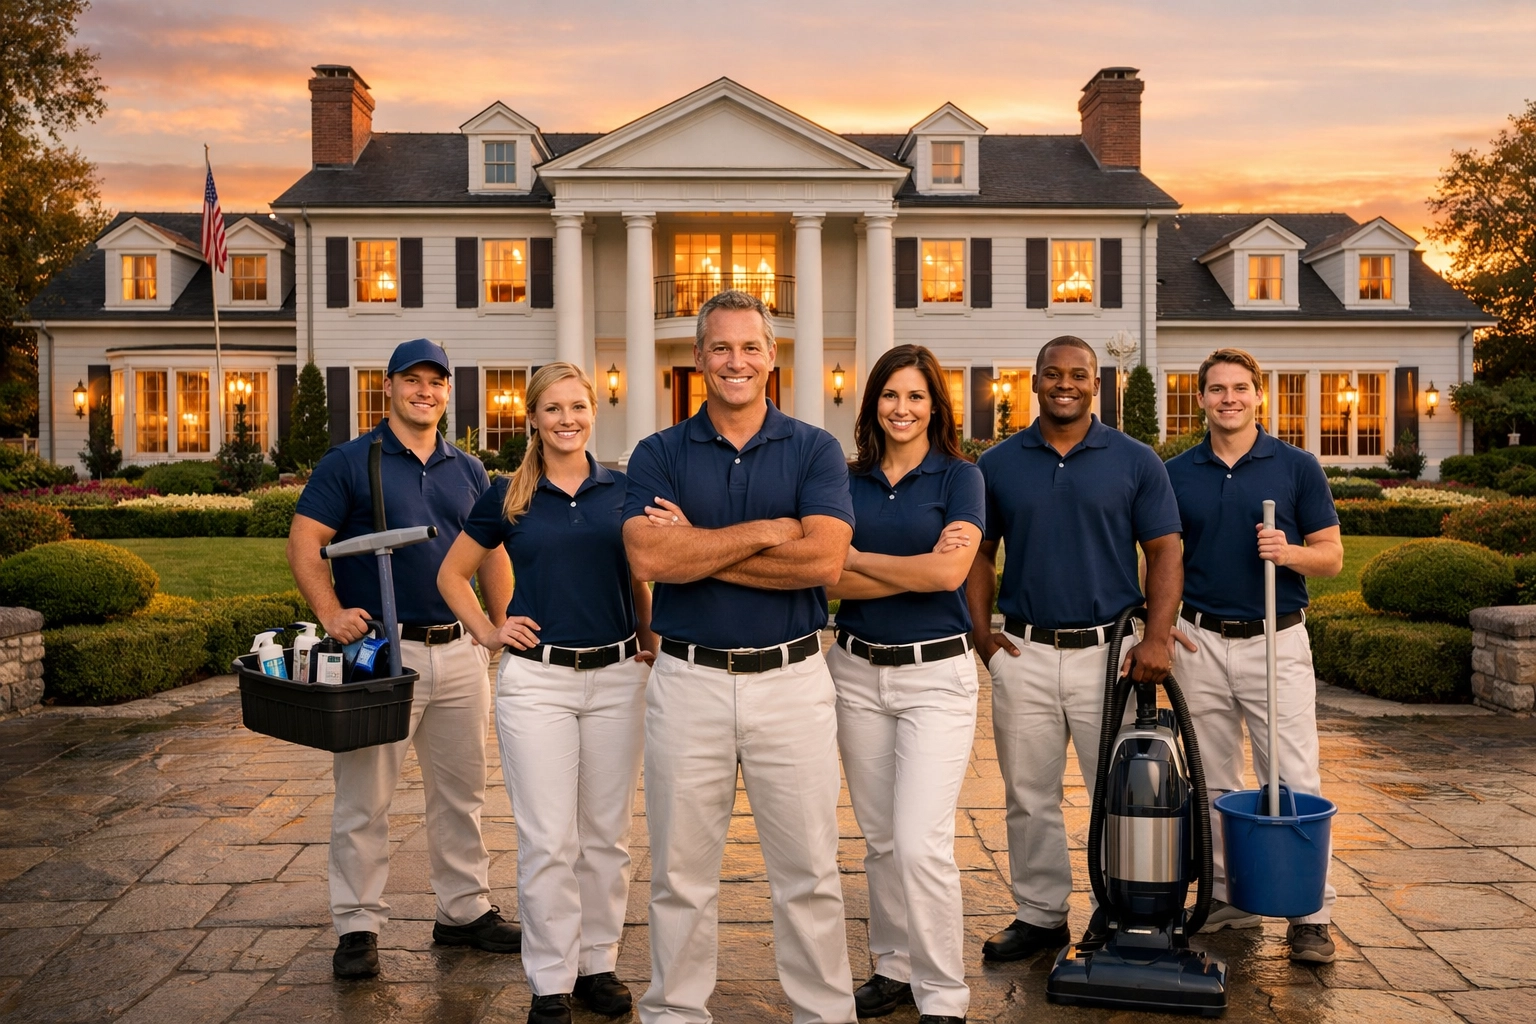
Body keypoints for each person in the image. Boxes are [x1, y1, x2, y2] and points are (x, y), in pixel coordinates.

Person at [622, 289, 859, 1024]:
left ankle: (824, 1016)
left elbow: (823, 562)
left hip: (792, 682)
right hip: (687, 680)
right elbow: (647, 555)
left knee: (810, 873)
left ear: (771, 355)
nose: (736, 361)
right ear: (699, 358)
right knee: (679, 875)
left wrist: (697, 547)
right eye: (721, 347)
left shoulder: (814, 448)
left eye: (750, 346)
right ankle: (675, 1013)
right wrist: (766, 530)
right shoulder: (658, 451)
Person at [288, 338, 521, 979]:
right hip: (382, 655)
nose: (425, 391)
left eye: (436, 381)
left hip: (458, 651)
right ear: (388, 386)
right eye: (412, 379)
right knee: (364, 798)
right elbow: (306, 541)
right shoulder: (349, 461)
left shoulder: (467, 469)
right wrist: (331, 613)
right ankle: (357, 925)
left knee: (462, 793)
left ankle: (463, 911)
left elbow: (491, 553)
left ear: (447, 392)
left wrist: (497, 628)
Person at [438, 362, 657, 1024]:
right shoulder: (507, 496)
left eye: (577, 407)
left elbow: (639, 577)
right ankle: (550, 981)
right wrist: (489, 630)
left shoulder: (624, 490)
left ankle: (597, 965)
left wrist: (651, 642)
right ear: (532, 418)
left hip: (617, 677)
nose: (567, 419)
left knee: (607, 837)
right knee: (546, 839)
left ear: (594, 412)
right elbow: (452, 575)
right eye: (553, 408)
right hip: (538, 683)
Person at [967, 335, 1184, 963]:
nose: (1066, 383)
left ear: (1097, 383)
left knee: (1118, 792)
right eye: (1053, 373)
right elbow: (979, 552)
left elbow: (1165, 550)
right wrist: (982, 635)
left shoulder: (1136, 461)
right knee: (1027, 793)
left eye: (1079, 374)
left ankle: (1121, 909)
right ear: (1034, 381)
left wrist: (1158, 637)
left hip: (1109, 655)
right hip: (1024, 651)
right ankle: (1041, 915)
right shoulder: (998, 464)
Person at [1163, 347, 1342, 963]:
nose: (1229, 399)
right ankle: (1228, 897)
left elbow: (1332, 556)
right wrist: (1159, 624)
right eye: (1217, 389)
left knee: (1291, 777)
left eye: (1240, 388)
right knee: (1213, 780)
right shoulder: (1177, 472)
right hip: (1200, 640)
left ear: (1259, 395)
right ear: (1201, 398)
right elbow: (1163, 558)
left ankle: (1309, 912)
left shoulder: (1296, 467)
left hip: (1276, 638)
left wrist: (1288, 554)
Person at [825, 345, 984, 1024]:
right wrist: (910, 567)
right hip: (856, 673)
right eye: (891, 394)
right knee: (882, 839)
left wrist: (859, 558)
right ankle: (892, 967)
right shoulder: (846, 480)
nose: (902, 408)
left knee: (921, 842)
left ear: (935, 405)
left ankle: (943, 994)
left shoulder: (961, 478)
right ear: (873, 404)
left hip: (936, 677)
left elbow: (949, 575)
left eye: (916, 396)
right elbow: (825, 580)